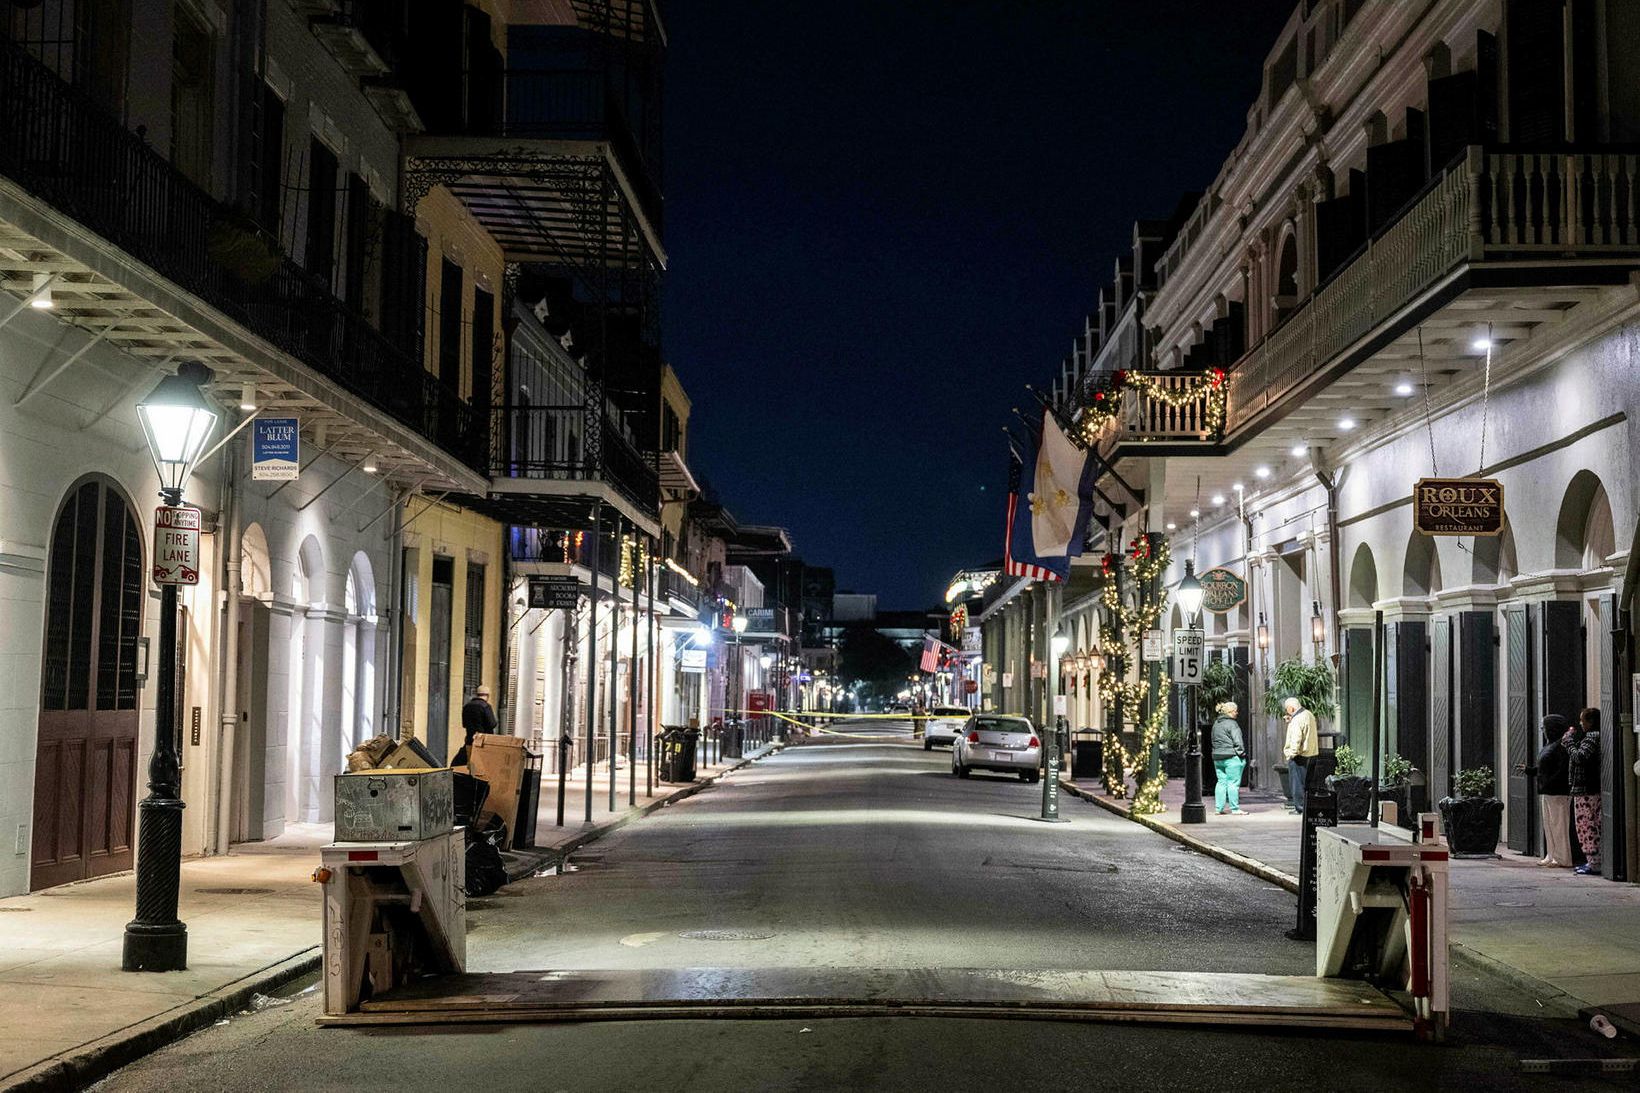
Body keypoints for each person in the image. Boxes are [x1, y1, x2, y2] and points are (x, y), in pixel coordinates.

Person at [1523, 714, 1574, 868]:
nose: (1542, 730)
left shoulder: (1561, 746)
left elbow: (1562, 770)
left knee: (1559, 825)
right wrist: (1531, 771)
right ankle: (1551, 854)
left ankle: (1563, 857)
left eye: (1544, 727)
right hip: (1547, 790)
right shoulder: (1550, 745)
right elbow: (1545, 768)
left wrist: (1550, 781)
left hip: (1558, 791)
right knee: (1549, 825)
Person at [1564, 707, 1603, 875]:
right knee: (1590, 825)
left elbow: (1579, 757)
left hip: (1586, 790)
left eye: (1583, 720)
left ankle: (1593, 862)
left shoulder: (1592, 738)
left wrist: (1569, 743)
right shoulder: (1592, 737)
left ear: (1591, 721)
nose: (1581, 724)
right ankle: (1593, 862)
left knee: (1586, 826)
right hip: (1588, 788)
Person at [1210, 701, 1248, 815]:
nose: (1237, 713)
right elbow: (1238, 741)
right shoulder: (1232, 724)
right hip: (1232, 757)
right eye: (1235, 711)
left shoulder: (1216, 723)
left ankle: (1218, 808)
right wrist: (1241, 754)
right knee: (1233, 783)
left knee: (1221, 782)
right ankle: (1235, 808)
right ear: (1230, 712)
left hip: (1217, 757)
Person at [1282, 696, 1319, 813]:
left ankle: (1300, 808)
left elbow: (1296, 738)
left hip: (1300, 755)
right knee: (1307, 783)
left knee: (1297, 783)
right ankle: (1307, 807)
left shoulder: (1297, 720)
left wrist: (1292, 753)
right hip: (1312, 753)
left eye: (1287, 709)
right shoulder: (1309, 714)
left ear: (1291, 708)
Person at [454, 685, 498, 765]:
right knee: (483, 765)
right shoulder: (486, 706)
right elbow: (493, 724)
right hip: (484, 742)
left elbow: (464, 724)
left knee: (470, 764)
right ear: (487, 695)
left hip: (470, 741)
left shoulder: (466, 707)